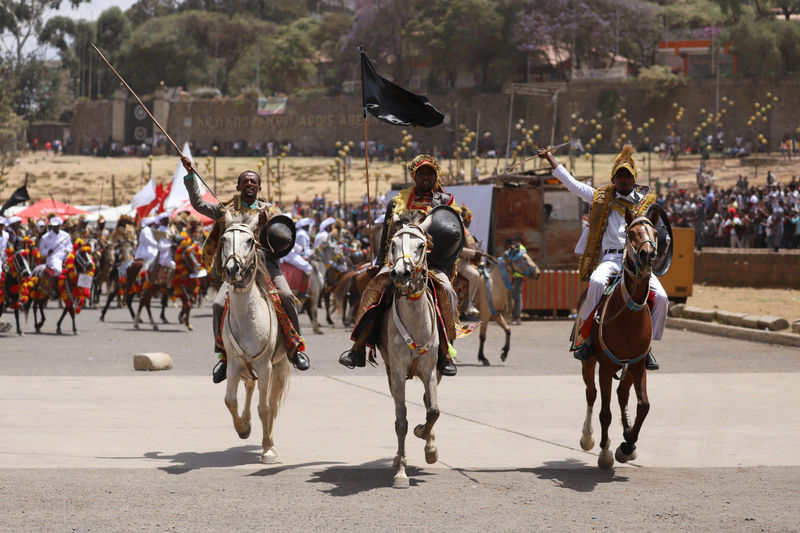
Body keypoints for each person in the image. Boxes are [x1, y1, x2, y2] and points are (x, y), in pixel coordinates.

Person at [180, 155, 309, 383]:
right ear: (238, 187)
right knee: (219, 303)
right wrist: (191, 174)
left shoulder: (270, 210)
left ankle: (294, 348)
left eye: (253, 182)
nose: (249, 184)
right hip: (236, 269)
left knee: (287, 296)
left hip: (267, 267)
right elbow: (198, 204)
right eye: (245, 182)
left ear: (259, 188)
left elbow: (284, 236)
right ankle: (223, 356)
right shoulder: (225, 210)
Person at [538, 145, 664, 371]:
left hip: (637, 262)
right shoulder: (599, 197)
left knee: (662, 298)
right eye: (619, 176)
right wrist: (550, 158)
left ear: (633, 179)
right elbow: (573, 185)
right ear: (613, 179)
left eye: (627, 176)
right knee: (596, 283)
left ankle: (648, 348)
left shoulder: (645, 203)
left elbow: (658, 231)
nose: (623, 180)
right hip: (611, 260)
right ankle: (585, 338)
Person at [338, 154, 461, 376]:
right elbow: (387, 236)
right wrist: (379, 264)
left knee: (448, 292)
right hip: (400, 260)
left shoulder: (446, 202)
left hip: (431, 264)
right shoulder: (397, 202)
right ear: (414, 176)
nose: (426, 177)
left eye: (429, 173)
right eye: (421, 173)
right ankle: (358, 349)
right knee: (376, 290)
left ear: (436, 176)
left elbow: (454, 235)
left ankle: (445, 353)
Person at [456, 204, 483, 317]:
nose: (469, 223)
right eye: (468, 221)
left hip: (465, 261)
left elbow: (471, 246)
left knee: (478, 273)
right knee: (474, 275)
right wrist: (474, 253)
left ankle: (471, 304)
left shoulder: (465, 231)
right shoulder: (458, 230)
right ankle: (466, 305)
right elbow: (458, 249)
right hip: (456, 262)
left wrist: (477, 251)